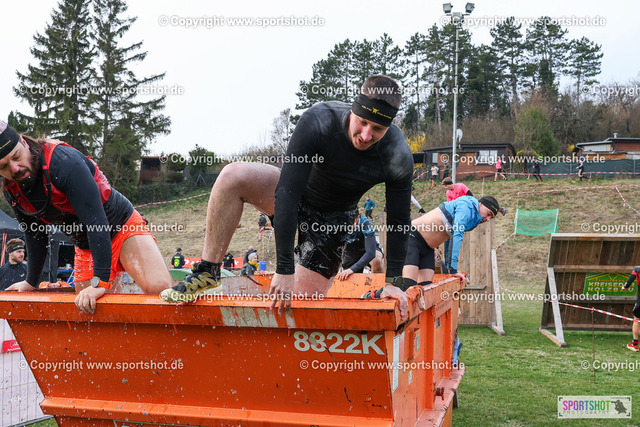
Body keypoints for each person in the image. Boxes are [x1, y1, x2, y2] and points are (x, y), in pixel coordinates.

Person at [160, 75, 414, 319]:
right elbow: (287, 193)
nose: (366, 135)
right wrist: (284, 268)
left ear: (389, 127)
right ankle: (208, 270)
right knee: (232, 176)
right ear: (353, 110)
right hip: (296, 194)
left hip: (332, 223)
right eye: (362, 122)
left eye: (377, 129)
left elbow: (399, 221)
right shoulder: (319, 121)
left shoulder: (397, 154)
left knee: (297, 309)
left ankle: (355, 295)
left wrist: (393, 283)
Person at [0, 121, 172, 314]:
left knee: (160, 292)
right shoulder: (11, 190)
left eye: (16, 157)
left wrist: (100, 281)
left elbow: (95, 222)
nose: (15, 168)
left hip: (121, 226)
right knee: (87, 310)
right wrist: (30, 282)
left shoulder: (63, 162)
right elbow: (35, 234)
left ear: (23, 142)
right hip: (86, 246)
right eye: (4, 166)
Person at [396, 196, 503, 293]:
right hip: (412, 238)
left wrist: (448, 267)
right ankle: (385, 296)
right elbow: (457, 235)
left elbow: (449, 237)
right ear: (480, 204)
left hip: (428, 248)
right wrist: (453, 270)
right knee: (408, 287)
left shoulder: (474, 217)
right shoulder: (467, 207)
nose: (488, 219)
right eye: (489, 214)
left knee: (425, 290)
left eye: (491, 218)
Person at [337, 213, 384, 280]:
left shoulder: (366, 223)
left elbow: (371, 252)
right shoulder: (337, 224)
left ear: (358, 218)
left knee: (376, 260)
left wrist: (352, 269)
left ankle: (378, 284)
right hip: (351, 252)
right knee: (350, 278)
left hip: (369, 247)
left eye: (351, 223)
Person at [622, 266, 640, 352]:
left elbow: (630, 280)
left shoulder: (637, 269)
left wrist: (624, 287)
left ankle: (635, 345)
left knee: (636, 320)